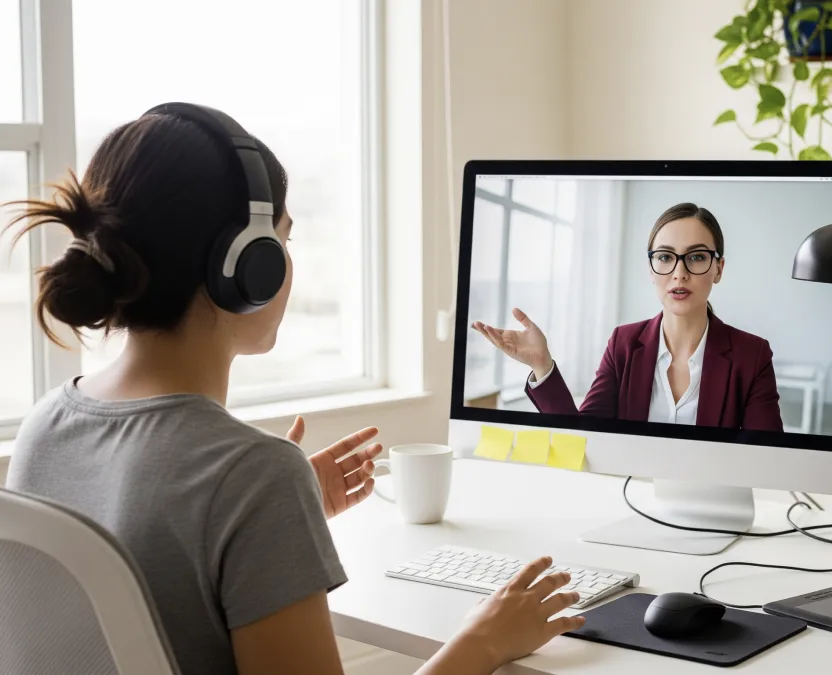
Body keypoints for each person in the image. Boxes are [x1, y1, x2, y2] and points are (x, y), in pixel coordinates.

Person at [2, 106, 583, 675]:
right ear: (248, 265)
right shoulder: (255, 476)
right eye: (282, 238)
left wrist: (276, 525)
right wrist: (483, 642)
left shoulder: (46, 423)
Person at [472, 202, 783, 432]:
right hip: (632, 501)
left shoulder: (751, 355)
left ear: (718, 269)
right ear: (651, 269)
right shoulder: (624, 343)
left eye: (697, 257)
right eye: (665, 257)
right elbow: (584, 437)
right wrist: (542, 364)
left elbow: (769, 461)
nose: (679, 273)